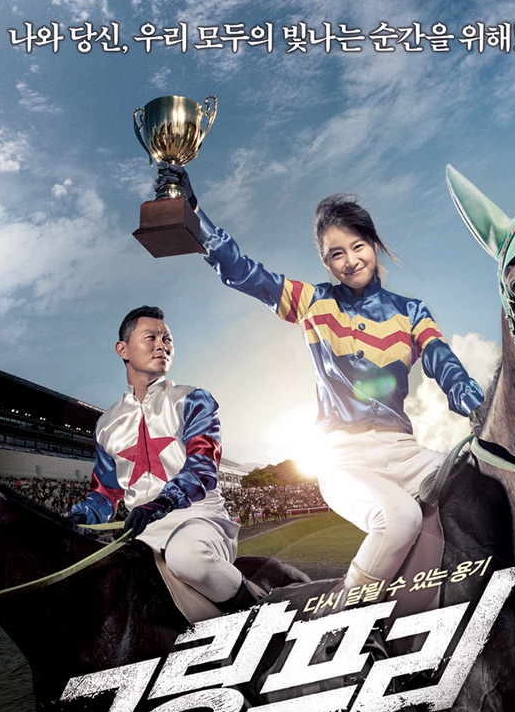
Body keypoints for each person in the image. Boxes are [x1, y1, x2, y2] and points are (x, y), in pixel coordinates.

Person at [155, 165, 483, 590]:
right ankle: (348, 614)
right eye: (336, 254)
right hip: (343, 457)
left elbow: (443, 362)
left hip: (405, 451)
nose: (350, 261)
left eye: (358, 246)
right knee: (399, 519)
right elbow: (243, 271)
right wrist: (195, 213)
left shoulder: (413, 312)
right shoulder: (312, 301)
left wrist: (474, 403)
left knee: (482, 487)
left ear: (375, 244)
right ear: (325, 262)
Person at [69, 305, 257, 611]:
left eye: (167, 339)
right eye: (151, 337)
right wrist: (80, 517)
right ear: (123, 349)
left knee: (187, 558)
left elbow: (202, 466)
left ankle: (260, 613)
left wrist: (163, 502)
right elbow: (105, 493)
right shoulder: (106, 424)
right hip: (140, 532)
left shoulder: (193, 399)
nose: (162, 345)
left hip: (198, 519)